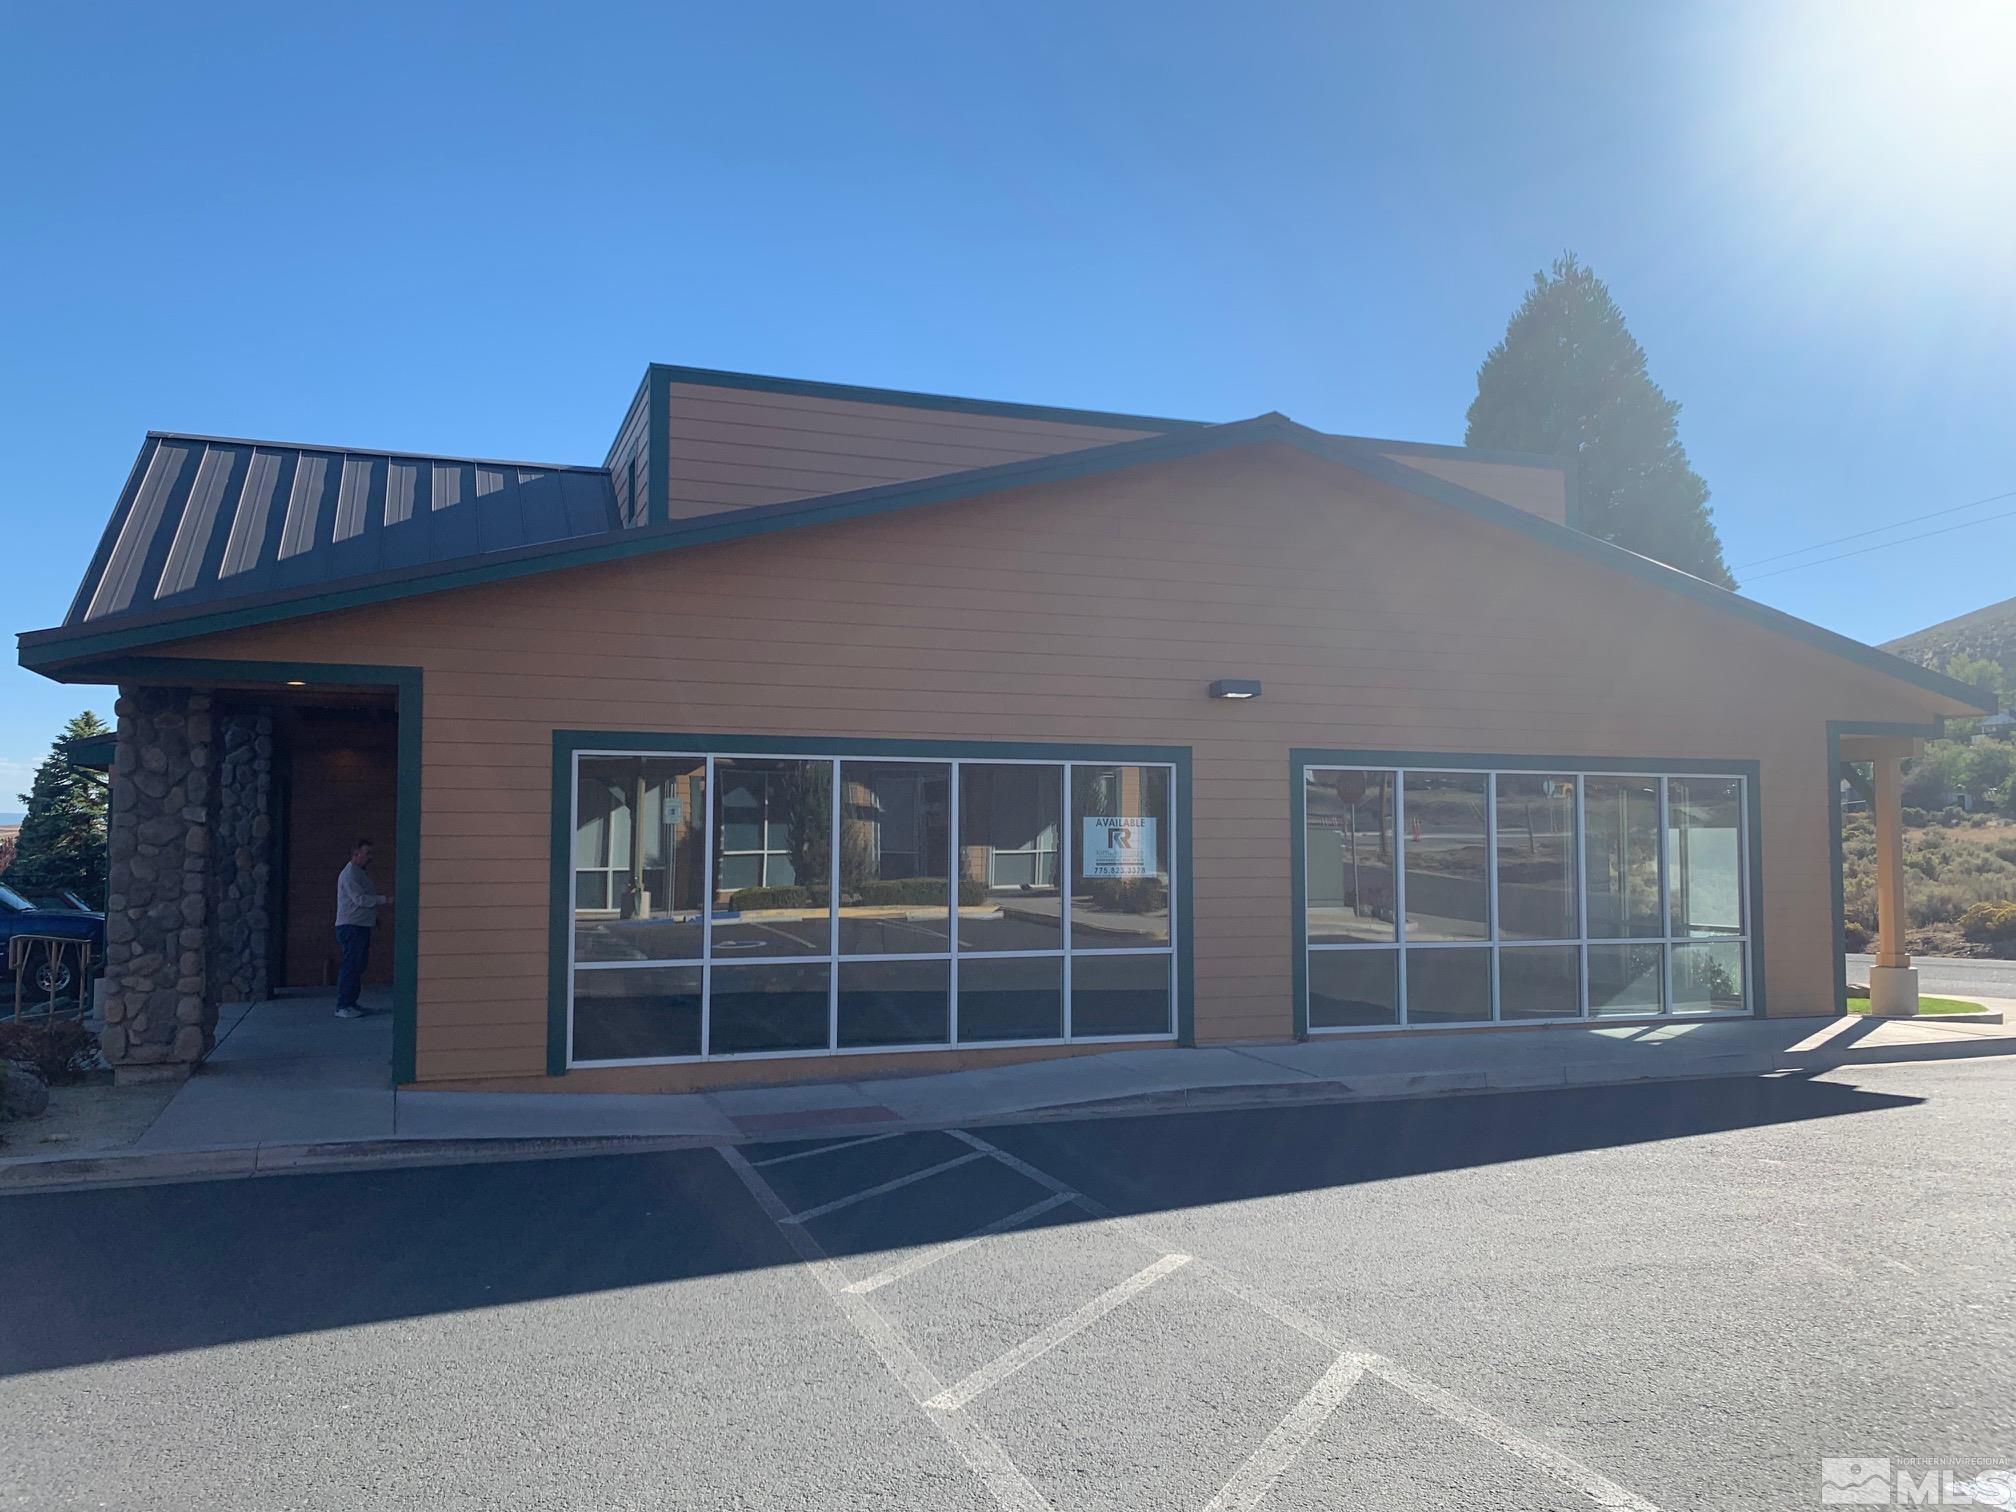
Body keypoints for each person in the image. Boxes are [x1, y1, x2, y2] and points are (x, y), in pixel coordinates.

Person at [334, 839, 390, 1019]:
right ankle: (342, 1005)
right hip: (351, 927)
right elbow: (360, 899)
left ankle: (352, 1002)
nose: (369, 857)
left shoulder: (360, 873)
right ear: (356, 854)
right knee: (351, 965)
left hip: (362, 924)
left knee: (358, 965)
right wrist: (385, 900)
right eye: (367, 853)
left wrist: (374, 918)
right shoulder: (349, 874)